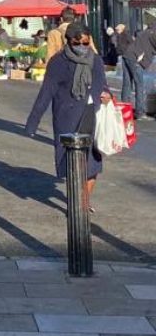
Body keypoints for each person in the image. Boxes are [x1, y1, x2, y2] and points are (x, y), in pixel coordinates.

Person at [25, 23, 111, 211]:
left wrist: (106, 94)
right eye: (77, 43)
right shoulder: (58, 62)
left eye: (86, 42)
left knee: (92, 164)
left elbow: (103, 84)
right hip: (67, 116)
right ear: (69, 42)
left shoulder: (95, 60)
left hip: (92, 115)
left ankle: (83, 202)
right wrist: (33, 122)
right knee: (72, 163)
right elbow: (46, 92)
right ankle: (77, 202)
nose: (82, 46)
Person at [120, 27, 156, 120]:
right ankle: (140, 112)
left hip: (127, 55)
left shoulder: (147, 32)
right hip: (136, 58)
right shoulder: (152, 34)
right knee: (139, 84)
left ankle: (124, 110)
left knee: (127, 85)